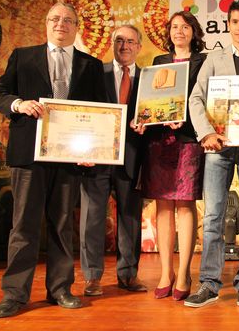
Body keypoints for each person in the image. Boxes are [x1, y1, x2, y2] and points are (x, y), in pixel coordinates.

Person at [0, 2, 106, 318]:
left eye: (68, 20)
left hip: (70, 158)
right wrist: (17, 105)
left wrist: (94, 151)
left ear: (76, 27)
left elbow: (100, 112)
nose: (61, 24)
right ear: (46, 23)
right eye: (55, 18)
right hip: (29, 155)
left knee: (63, 225)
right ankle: (15, 294)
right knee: (23, 225)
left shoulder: (91, 66)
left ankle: (60, 289)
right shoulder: (23, 57)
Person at [186, 0, 239, 308]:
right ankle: (209, 284)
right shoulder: (214, 60)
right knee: (212, 217)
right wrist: (206, 132)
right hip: (218, 148)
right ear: (228, 26)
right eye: (234, 22)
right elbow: (196, 98)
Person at [132, 10, 206, 301]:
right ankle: (166, 272)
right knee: (163, 207)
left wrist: (184, 120)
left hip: (188, 139)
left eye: (185, 27)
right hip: (159, 140)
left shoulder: (203, 62)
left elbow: (205, 100)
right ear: (169, 32)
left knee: (185, 205)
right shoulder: (158, 63)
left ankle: (185, 272)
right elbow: (150, 100)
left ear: (193, 32)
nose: (179, 31)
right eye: (174, 27)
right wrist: (144, 117)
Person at [79, 25, 145, 297]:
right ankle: (92, 277)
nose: (125, 46)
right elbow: (82, 109)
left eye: (130, 41)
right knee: (92, 218)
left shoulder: (149, 78)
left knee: (130, 219)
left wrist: (147, 125)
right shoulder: (95, 73)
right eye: (119, 40)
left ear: (139, 46)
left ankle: (128, 275)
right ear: (111, 44)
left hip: (133, 158)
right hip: (96, 157)